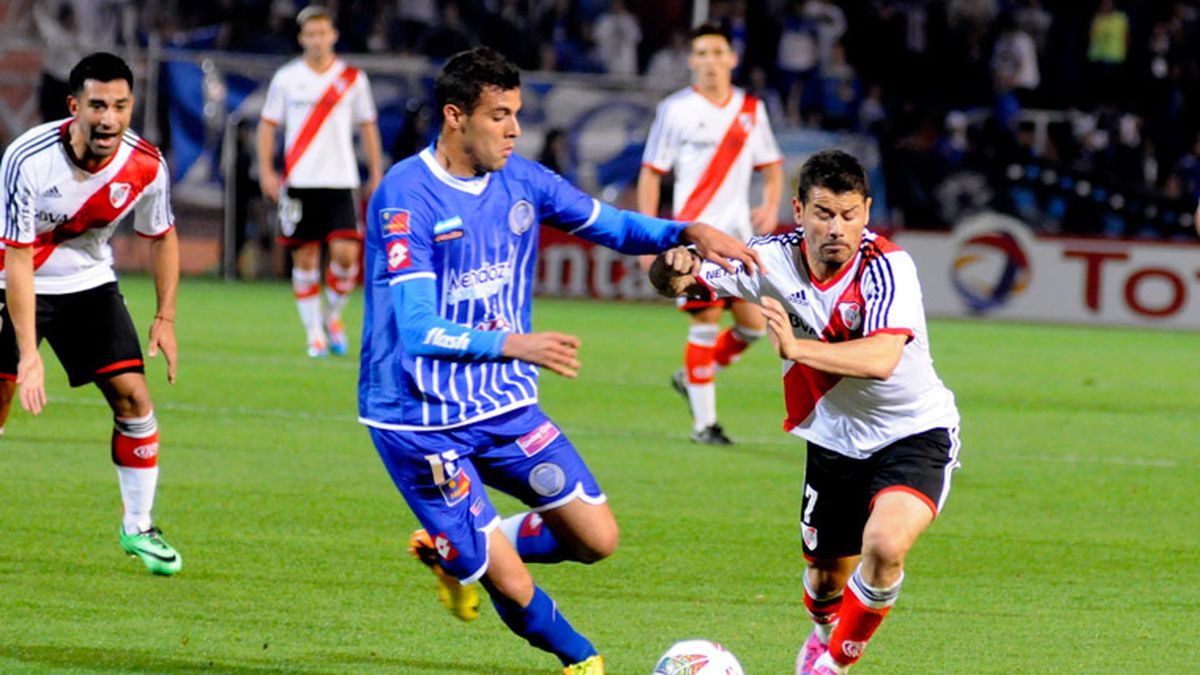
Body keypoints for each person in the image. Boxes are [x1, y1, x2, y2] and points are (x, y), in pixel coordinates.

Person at [359, 47, 760, 675]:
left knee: (597, 539)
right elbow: (416, 329)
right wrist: (514, 344)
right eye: (499, 116)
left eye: (517, 113)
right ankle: (580, 658)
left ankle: (459, 548)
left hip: (504, 404)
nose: (515, 128)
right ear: (455, 116)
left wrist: (685, 231)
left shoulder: (525, 179)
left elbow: (610, 224)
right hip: (419, 418)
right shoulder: (407, 198)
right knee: (511, 586)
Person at [649, 149, 961, 675]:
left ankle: (831, 666)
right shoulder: (766, 259)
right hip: (834, 438)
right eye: (823, 213)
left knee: (883, 547)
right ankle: (821, 637)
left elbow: (881, 359)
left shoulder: (889, 267)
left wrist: (797, 349)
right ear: (798, 211)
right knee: (824, 584)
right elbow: (679, 284)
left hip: (913, 430)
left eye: (849, 214)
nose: (837, 228)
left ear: (866, 211)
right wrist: (669, 268)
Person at [0, 52, 182, 575]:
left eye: (120, 106)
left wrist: (164, 317)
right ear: (74, 106)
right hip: (12, 278)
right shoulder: (26, 158)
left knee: (134, 398)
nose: (109, 119)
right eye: (98, 105)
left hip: (86, 279)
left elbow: (162, 234)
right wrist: (28, 354)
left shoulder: (146, 164)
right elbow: (17, 255)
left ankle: (140, 525)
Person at [637, 22, 784, 445]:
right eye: (701, 53)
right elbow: (651, 174)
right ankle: (705, 425)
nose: (710, 61)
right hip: (693, 241)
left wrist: (770, 202)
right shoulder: (675, 109)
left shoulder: (750, 109)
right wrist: (650, 237)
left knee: (753, 329)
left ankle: (691, 377)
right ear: (691, 61)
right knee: (703, 321)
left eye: (717, 52)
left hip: (738, 240)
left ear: (732, 59)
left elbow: (772, 166)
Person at [256, 5, 383, 357]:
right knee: (306, 258)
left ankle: (332, 315)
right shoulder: (286, 78)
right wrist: (267, 169)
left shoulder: (353, 79)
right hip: (299, 181)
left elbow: (368, 126)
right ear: (301, 38)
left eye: (322, 32)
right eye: (309, 34)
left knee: (346, 255)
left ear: (333, 35)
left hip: (341, 179)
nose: (316, 39)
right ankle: (313, 333)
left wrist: (375, 172)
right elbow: (268, 125)